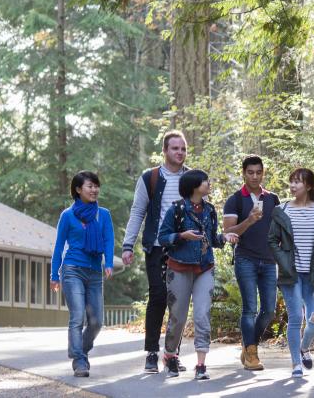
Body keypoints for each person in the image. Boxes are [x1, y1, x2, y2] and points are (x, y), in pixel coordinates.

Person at [158, 169, 239, 380]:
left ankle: (201, 365)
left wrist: (225, 237)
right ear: (194, 185)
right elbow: (163, 237)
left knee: (202, 315)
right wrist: (181, 236)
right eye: (205, 181)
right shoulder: (177, 209)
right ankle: (170, 356)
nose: (209, 184)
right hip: (178, 268)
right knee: (178, 317)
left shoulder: (210, 210)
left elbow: (211, 240)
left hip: (205, 268)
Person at [121, 130, 190, 373]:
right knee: (159, 296)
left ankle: (172, 355)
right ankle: (152, 352)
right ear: (164, 151)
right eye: (175, 148)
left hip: (184, 248)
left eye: (183, 148)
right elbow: (137, 211)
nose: (180, 152)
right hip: (157, 247)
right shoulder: (149, 178)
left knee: (178, 302)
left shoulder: (191, 178)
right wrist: (128, 245)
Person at [268, 168, 314, 378]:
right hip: (291, 275)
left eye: (298, 182)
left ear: (308, 186)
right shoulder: (282, 210)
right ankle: (296, 364)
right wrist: (283, 262)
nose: (293, 185)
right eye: (291, 181)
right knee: (296, 317)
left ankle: (304, 347)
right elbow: (272, 240)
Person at [50, 170, 114, 377]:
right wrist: (54, 275)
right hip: (72, 270)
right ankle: (79, 361)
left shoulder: (103, 214)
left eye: (96, 186)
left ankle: (81, 351)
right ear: (78, 189)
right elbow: (59, 246)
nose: (94, 190)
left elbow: (109, 240)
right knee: (77, 317)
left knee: (96, 322)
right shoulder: (67, 216)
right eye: (90, 186)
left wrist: (109, 263)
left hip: (94, 272)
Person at [222, 155, 280, 370]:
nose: (255, 176)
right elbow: (228, 233)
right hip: (245, 259)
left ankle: (248, 344)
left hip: (269, 260)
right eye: (250, 172)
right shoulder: (235, 200)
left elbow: (279, 229)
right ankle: (252, 354)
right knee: (249, 309)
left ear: (263, 173)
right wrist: (249, 220)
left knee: (269, 310)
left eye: (258, 172)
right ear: (244, 173)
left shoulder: (273, 199)